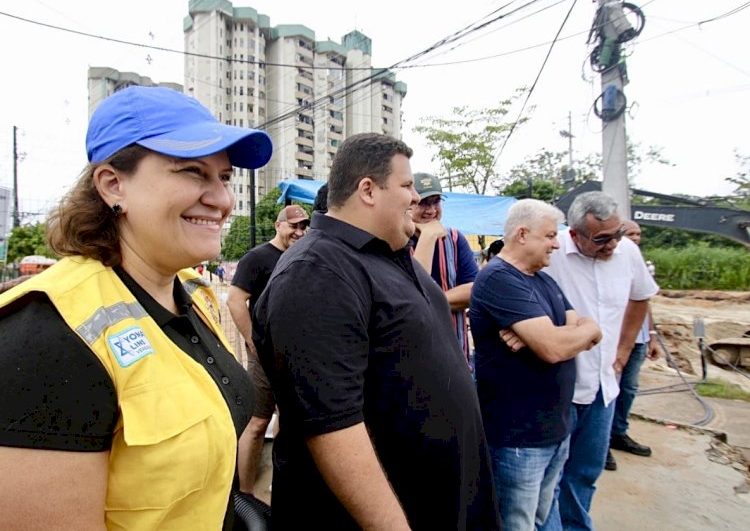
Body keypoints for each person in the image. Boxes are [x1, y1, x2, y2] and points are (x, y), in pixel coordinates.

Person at [0, 85, 273, 531]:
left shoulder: (192, 292)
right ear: (112, 184)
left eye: (223, 177)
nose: (223, 201)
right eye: (191, 172)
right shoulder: (47, 337)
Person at [253, 133, 501, 530]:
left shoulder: (389, 255)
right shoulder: (316, 272)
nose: (416, 197)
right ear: (368, 190)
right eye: (406, 186)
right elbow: (332, 428)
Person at [471, 199, 602, 531]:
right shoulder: (500, 279)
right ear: (522, 234)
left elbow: (588, 327)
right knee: (518, 524)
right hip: (520, 440)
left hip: (554, 431)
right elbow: (554, 349)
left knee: (541, 519)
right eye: (549, 235)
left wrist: (582, 329)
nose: (557, 243)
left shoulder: (543, 281)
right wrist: (564, 335)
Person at [540, 191, 659, 531]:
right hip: (559, 385)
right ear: (575, 234)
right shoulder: (554, 250)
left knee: (586, 472)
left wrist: (623, 350)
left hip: (604, 387)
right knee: (551, 475)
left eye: (618, 233)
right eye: (602, 238)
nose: (613, 244)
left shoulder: (628, 253)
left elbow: (641, 297)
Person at [226, 204, 309, 499]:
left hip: (295, 352)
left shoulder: (303, 256)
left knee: (288, 419)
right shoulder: (258, 257)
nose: (298, 232)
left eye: (303, 227)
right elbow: (235, 300)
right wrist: (253, 341)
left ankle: (281, 483)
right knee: (257, 422)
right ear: (278, 226)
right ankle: (245, 494)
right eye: (293, 226)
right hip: (264, 353)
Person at [605, 220, 659, 471]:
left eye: (638, 234)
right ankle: (602, 443)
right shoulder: (605, 260)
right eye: (630, 233)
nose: (635, 238)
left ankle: (619, 432)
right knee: (607, 392)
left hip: (637, 339)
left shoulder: (636, 260)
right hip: (613, 341)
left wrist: (653, 334)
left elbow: (644, 300)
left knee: (628, 388)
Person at [409, 172, 479, 364]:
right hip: (414, 356)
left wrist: (427, 303)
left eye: (436, 202)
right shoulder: (395, 242)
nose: (431, 210)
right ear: (409, 203)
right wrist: (428, 238)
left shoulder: (455, 239)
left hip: (455, 353)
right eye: (424, 203)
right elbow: (408, 301)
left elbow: (473, 290)